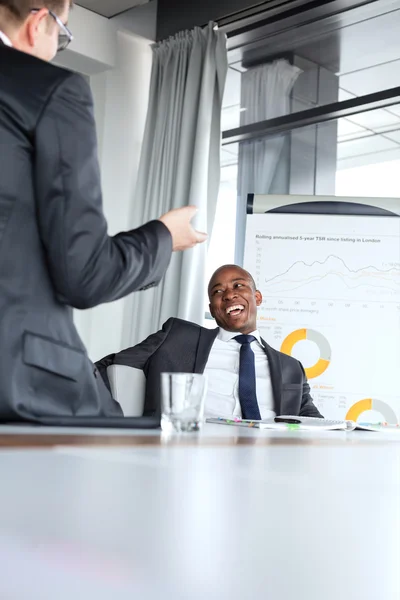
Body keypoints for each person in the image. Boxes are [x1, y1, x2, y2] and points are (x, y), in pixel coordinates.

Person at [0, 0, 207, 422]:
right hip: (21, 380)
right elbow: (84, 275)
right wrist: (164, 237)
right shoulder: (48, 87)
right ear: (40, 22)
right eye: (63, 35)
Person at [96, 265, 323, 419]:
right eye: (218, 291)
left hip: (269, 461)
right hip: (190, 454)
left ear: (258, 297)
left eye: (238, 285)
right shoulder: (177, 337)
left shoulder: (291, 367)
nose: (228, 295)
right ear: (212, 310)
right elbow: (106, 367)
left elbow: (313, 421)